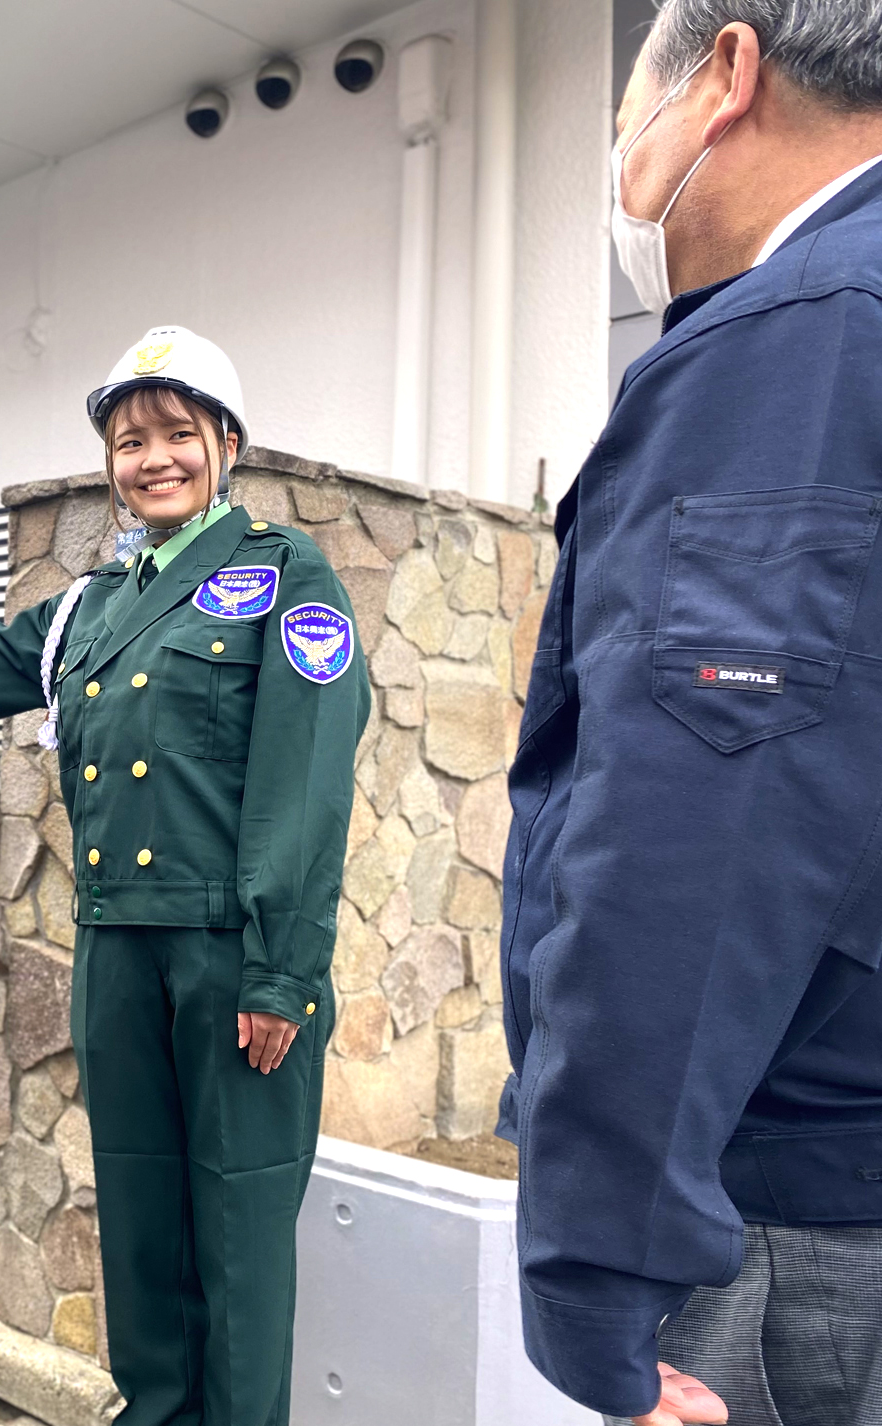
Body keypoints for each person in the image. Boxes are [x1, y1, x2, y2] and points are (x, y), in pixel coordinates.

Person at [0, 326, 369, 1426]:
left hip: (233, 956)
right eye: (129, 441)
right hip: (116, 952)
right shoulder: (91, 605)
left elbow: (306, 782)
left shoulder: (287, 574)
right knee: (140, 1223)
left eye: (178, 433)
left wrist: (283, 971)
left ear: (227, 445)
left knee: (234, 1234)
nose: (153, 459)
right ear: (109, 468)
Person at [500, 4, 882, 1424]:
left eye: (617, 129)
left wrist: (597, 1269)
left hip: (783, 1207)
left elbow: (696, 835)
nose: (619, 176)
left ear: (722, 75)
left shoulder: (798, 341)